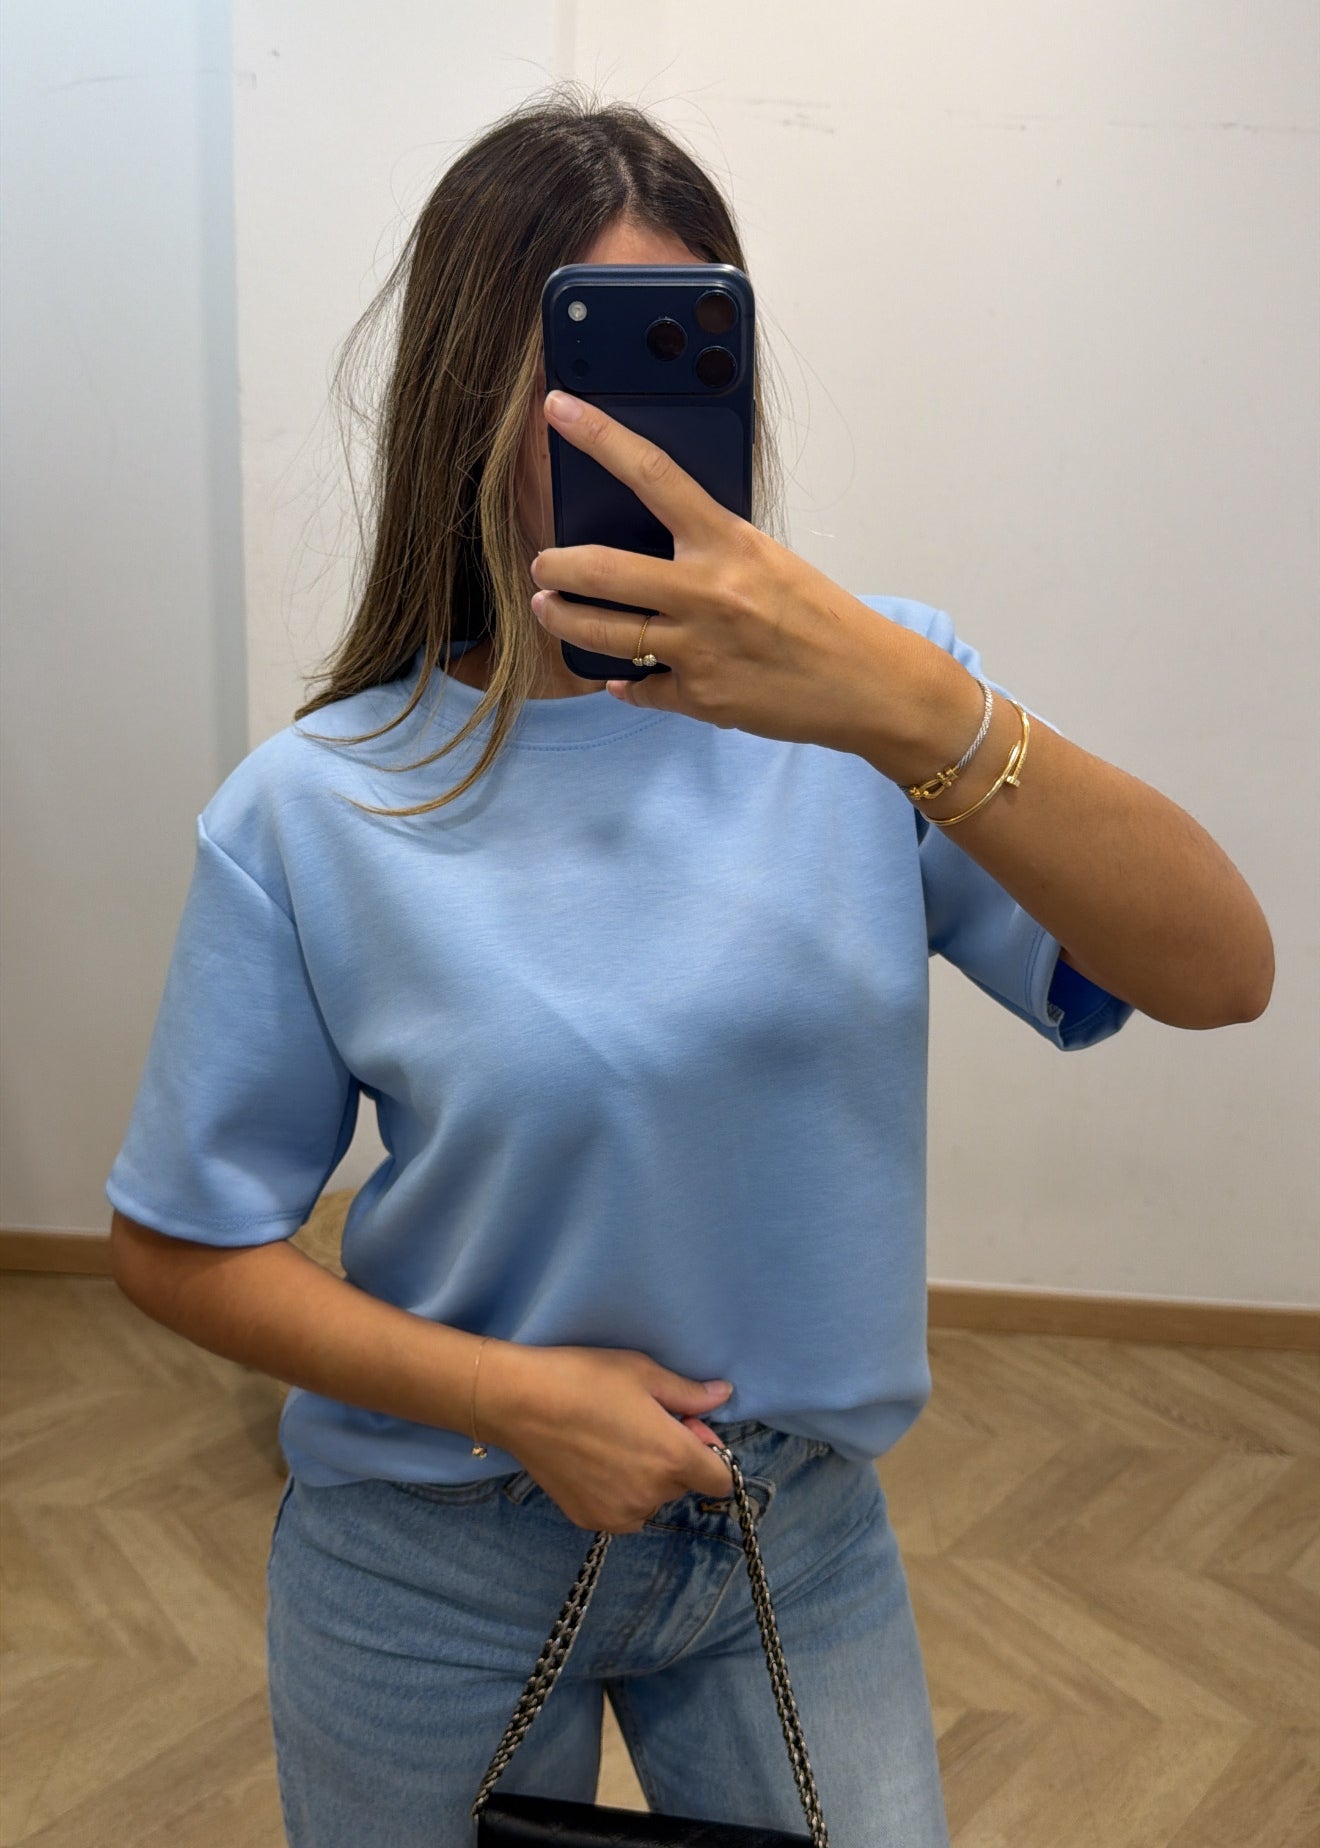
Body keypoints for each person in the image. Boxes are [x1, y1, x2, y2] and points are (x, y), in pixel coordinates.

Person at [104, 88, 1274, 1848]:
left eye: (687, 357)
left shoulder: (884, 712)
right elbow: (179, 1245)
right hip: (431, 1554)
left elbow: (1221, 969)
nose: (641, 432)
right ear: (471, 403)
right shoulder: (318, 804)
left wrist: (913, 704)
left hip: (789, 1533)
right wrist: (511, 1396)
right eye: (590, 371)